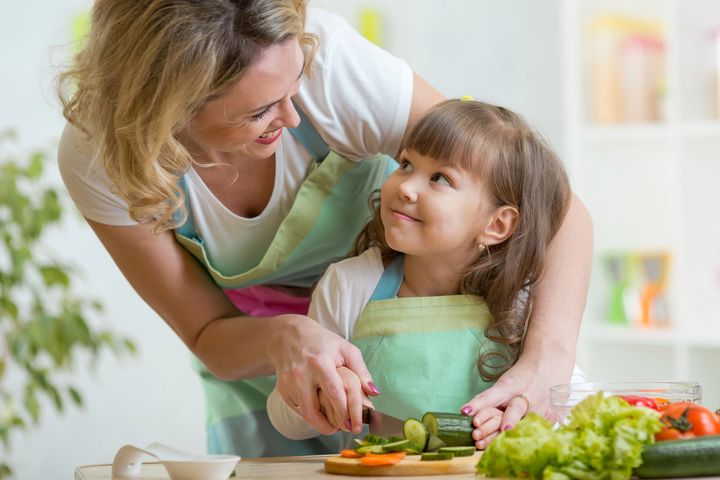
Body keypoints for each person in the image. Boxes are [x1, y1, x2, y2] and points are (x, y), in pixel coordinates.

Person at [56, 0, 592, 458]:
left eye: (294, 88)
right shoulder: (102, 156)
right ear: (169, 109)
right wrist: (289, 335)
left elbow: (553, 208)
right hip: (259, 368)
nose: (292, 119)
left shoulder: (329, 65)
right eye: (261, 110)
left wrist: (548, 365)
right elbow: (207, 334)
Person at [267, 99, 586, 448]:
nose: (405, 186)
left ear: (496, 224)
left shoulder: (521, 302)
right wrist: (324, 387)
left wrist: (523, 419)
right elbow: (285, 422)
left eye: (440, 178)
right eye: (405, 164)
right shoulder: (349, 285)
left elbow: (573, 401)